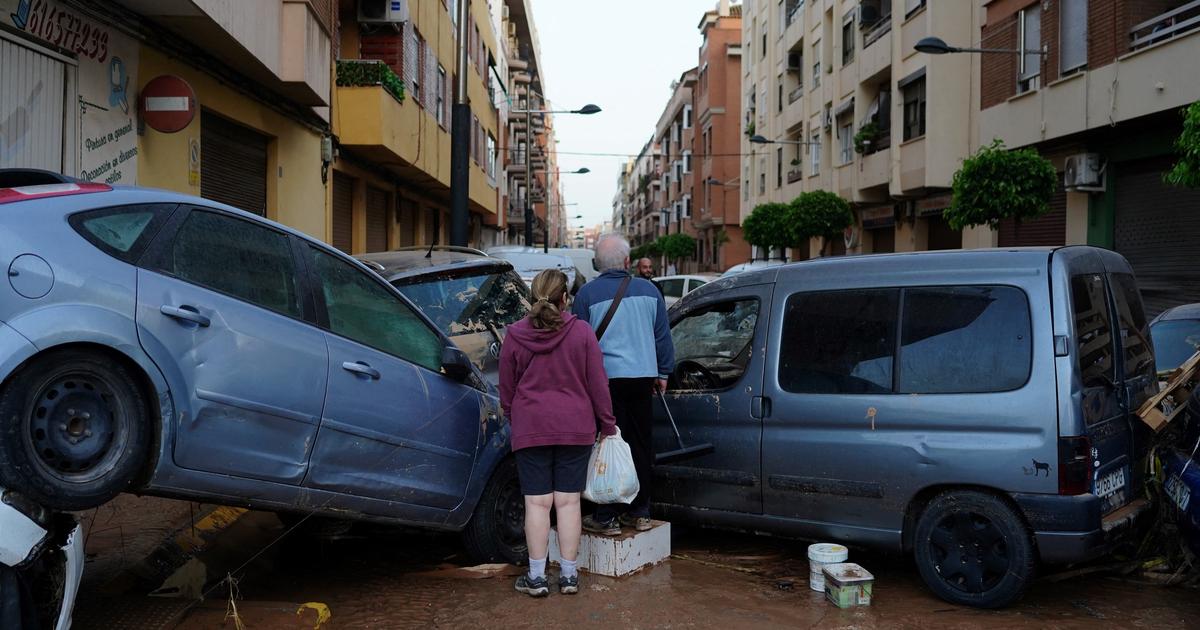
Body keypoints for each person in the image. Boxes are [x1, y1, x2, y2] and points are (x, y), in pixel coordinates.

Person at [499, 269, 617, 597]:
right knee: (567, 503)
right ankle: (568, 576)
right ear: (565, 298)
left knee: (536, 503)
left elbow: (506, 388)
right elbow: (598, 384)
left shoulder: (515, 335)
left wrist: (515, 415)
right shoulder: (581, 333)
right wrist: (607, 424)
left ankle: (536, 578)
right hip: (575, 427)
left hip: (531, 426)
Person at [573, 234, 674, 535]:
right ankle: (640, 511)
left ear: (597, 265)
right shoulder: (650, 291)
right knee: (641, 445)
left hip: (604, 382)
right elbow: (662, 336)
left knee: (609, 443)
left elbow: (578, 343)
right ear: (628, 262)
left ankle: (607, 515)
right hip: (643, 378)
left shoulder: (586, 295)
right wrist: (664, 373)